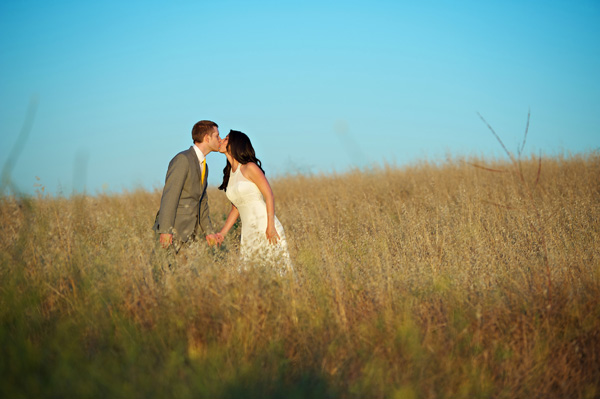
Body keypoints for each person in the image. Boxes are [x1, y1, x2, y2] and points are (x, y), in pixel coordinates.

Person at [215, 130, 292, 272]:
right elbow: (235, 208)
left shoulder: (250, 167)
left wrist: (270, 227)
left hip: (265, 226)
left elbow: (269, 195)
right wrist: (222, 233)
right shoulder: (230, 174)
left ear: (235, 144)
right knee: (252, 274)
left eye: (226, 139)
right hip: (248, 232)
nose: (221, 141)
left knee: (276, 270)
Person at [153, 120, 221, 255]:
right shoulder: (183, 159)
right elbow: (170, 196)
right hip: (173, 232)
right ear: (207, 138)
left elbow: (201, 201)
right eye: (217, 136)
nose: (220, 140)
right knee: (167, 273)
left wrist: (209, 232)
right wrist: (166, 230)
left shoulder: (204, 166)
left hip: (190, 234)